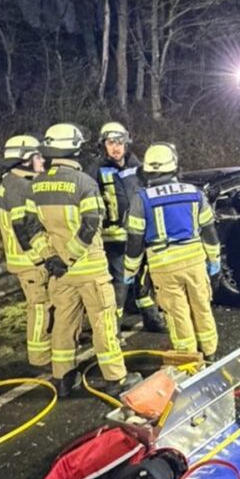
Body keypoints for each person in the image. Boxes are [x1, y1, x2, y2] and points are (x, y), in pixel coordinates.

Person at [16, 123, 141, 397]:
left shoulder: (35, 186)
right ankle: (116, 380)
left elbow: (29, 226)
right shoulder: (84, 182)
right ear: (75, 148)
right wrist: (70, 255)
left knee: (63, 323)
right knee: (103, 322)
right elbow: (91, 225)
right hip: (89, 269)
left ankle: (62, 380)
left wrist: (51, 257)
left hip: (58, 272)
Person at [124, 143, 222, 361]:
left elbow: (134, 240)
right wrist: (214, 260)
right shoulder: (194, 193)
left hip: (163, 265)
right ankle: (210, 353)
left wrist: (130, 270)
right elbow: (209, 230)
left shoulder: (141, 199)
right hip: (195, 262)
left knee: (178, 315)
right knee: (202, 308)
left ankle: (189, 361)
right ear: (174, 166)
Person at [91, 121, 164, 333]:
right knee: (120, 284)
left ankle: (151, 319)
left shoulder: (137, 166)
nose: (116, 147)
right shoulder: (95, 170)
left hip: (138, 235)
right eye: (111, 142)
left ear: (127, 143)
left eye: (120, 142)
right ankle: (113, 329)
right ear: (103, 144)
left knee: (143, 278)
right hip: (112, 238)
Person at [0, 134, 52, 369]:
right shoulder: (19, 186)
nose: (42, 161)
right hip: (30, 261)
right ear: (25, 159)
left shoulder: (14, 181)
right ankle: (40, 359)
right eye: (38, 156)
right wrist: (41, 256)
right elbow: (22, 226)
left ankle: (48, 353)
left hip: (28, 260)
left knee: (46, 305)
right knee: (39, 307)